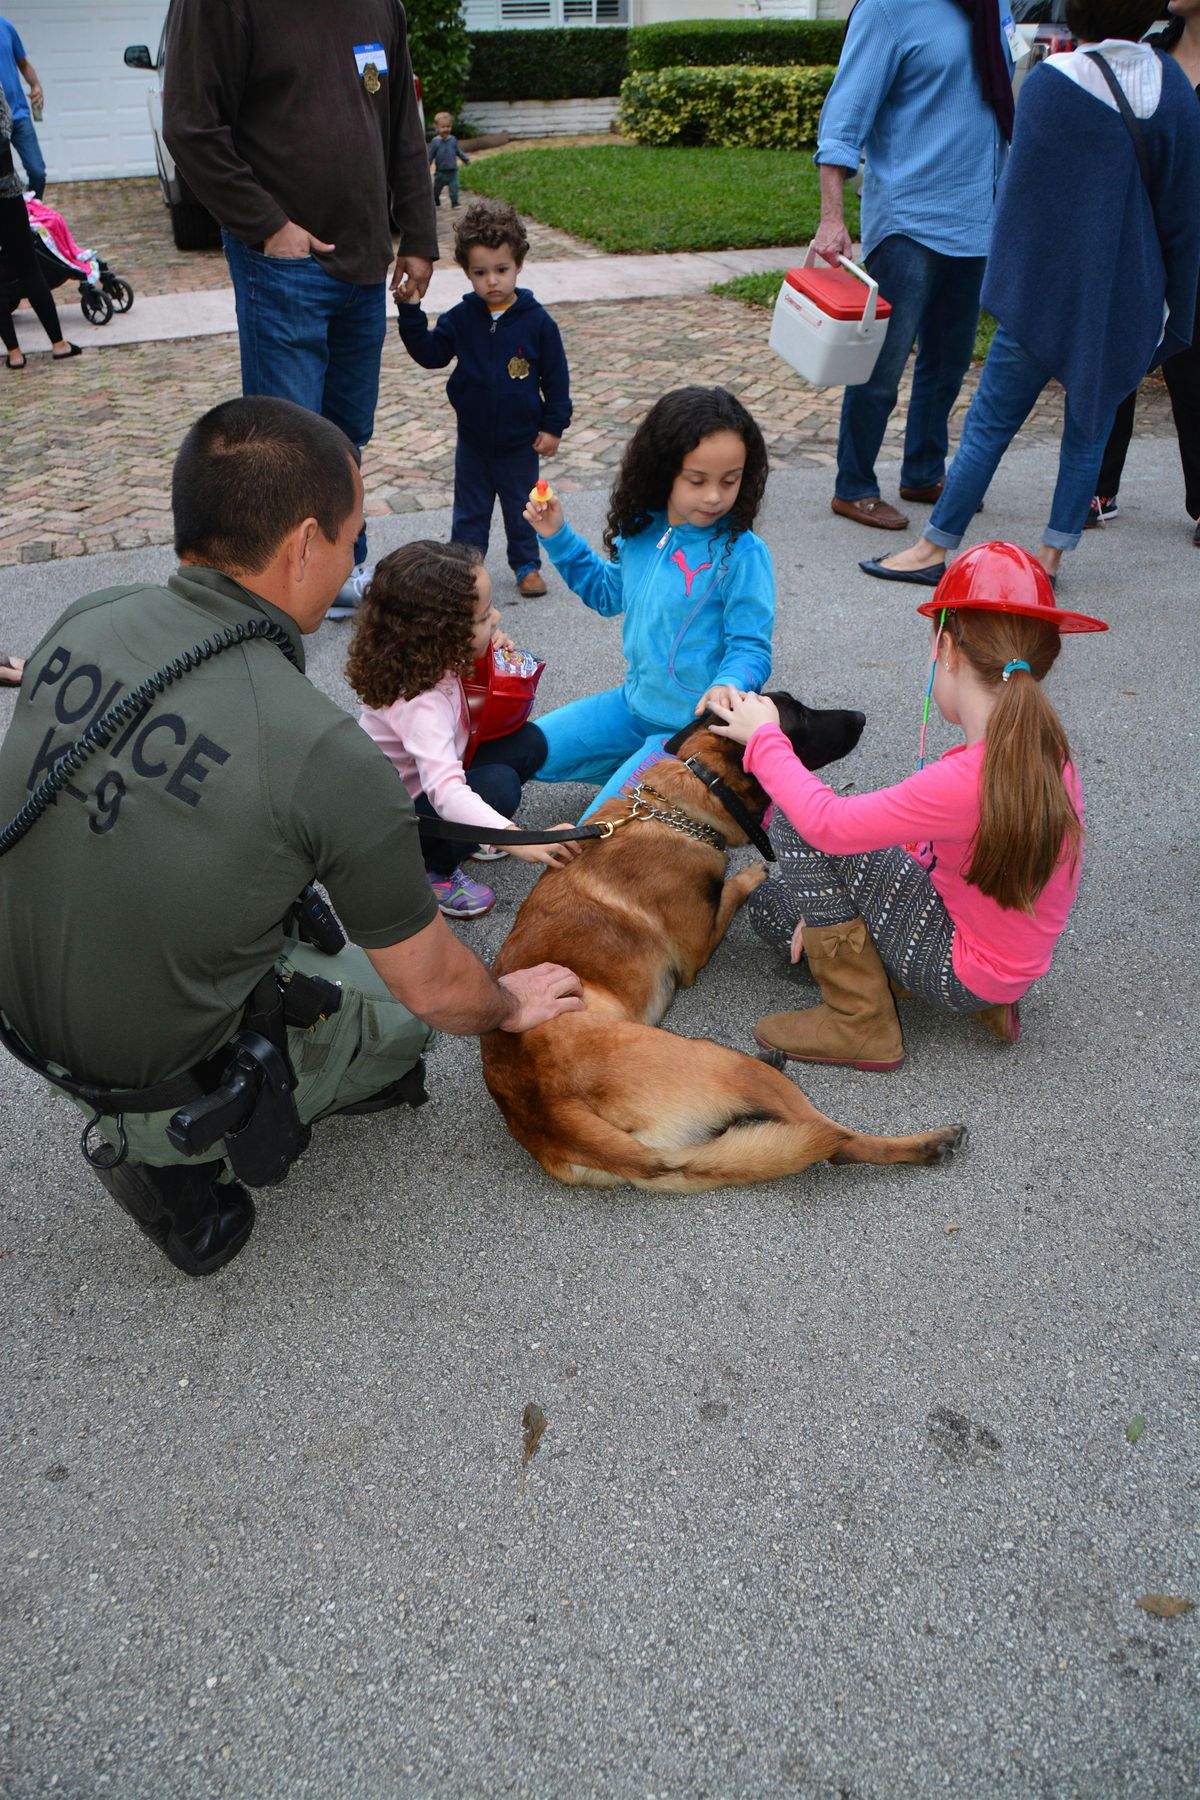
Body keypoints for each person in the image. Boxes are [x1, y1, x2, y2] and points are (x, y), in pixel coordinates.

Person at [0, 398, 583, 1279]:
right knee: (400, 1027)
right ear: (304, 545)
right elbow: (433, 988)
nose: (355, 559)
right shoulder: (322, 753)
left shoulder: (92, 613)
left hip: (18, 1006)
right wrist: (507, 1002)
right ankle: (178, 1163)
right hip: (137, 1061)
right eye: (353, 538)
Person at [707, 543, 1107, 1071]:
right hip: (1002, 962)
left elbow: (826, 825)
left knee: (790, 837)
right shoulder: (1043, 753)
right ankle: (979, 1000)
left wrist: (765, 739)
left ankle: (860, 1021)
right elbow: (939, 857)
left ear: (947, 649)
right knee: (783, 902)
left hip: (957, 967)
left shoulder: (965, 779)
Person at [863, 0, 1200, 590]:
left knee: (991, 421)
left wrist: (1006, 291)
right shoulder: (1170, 83)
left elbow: (1019, 206)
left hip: (1043, 291)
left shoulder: (1053, 82)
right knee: (1089, 425)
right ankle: (1049, 560)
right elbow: (1183, 212)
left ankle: (933, 546)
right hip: (1124, 295)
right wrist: (1175, 304)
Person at [161, 0, 438, 618]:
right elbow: (189, 126)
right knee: (284, 440)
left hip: (365, 262)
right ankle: (268, 591)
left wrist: (418, 234)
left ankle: (341, 571)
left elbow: (401, 124)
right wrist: (268, 226)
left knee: (345, 435)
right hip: (282, 264)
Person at [523, 385, 775, 812]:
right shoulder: (642, 529)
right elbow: (607, 594)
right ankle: (650, 774)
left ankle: (698, 779)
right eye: (697, 480)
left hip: (691, 731)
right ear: (663, 471)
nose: (714, 496)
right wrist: (557, 537)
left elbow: (751, 646)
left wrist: (727, 684)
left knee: (595, 833)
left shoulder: (743, 553)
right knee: (529, 752)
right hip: (633, 707)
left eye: (729, 481)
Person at [813, 0, 1014, 534]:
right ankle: (853, 485)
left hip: (977, 219)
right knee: (881, 369)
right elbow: (844, 117)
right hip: (909, 220)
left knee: (947, 364)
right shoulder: (887, 9)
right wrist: (833, 217)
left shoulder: (992, 6)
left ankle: (923, 471)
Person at [347, 539, 579, 919]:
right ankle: (431, 870)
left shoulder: (428, 656)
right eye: (485, 616)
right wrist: (516, 837)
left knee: (529, 743)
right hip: (401, 820)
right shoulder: (419, 702)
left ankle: (465, 836)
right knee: (499, 786)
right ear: (445, 631)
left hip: (427, 783)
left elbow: (477, 711)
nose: (498, 618)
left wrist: (487, 652)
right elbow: (446, 791)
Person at [395, 199, 571, 598]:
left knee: (521, 507)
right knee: (470, 510)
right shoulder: (462, 317)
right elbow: (431, 354)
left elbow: (556, 380)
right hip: (473, 439)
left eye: (501, 270)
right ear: (466, 271)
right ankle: (463, 570)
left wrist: (553, 427)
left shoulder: (538, 322)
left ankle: (526, 565)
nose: (492, 281)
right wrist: (410, 312)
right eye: (480, 272)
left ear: (519, 265)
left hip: (520, 441)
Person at [1085, 0, 1200, 548]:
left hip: (1193, 238)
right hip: (1138, 235)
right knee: (1115, 361)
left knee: (1193, 369)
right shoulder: (1149, 57)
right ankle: (1095, 487)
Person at [0, 90, 80, 368]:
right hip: (6, 190)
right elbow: (5, 125)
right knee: (28, 266)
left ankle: (14, 353)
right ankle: (58, 344)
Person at [0, 15, 45, 198]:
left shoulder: (5, 26)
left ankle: (33, 208)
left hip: (19, 114)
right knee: (3, 181)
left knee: (37, 172)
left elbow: (23, 64)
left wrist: (36, 85)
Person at [429, 111, 470, 209]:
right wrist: (427, 164)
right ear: (437, 128)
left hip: (453, 171)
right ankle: (436, 200)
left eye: (448, 127)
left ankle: (455, 203)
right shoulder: (435, 142)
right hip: (440, 172)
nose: (446, 129)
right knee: (436, 189)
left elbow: (458, 151)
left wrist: (465, 159)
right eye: (443, 127)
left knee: (454, 188)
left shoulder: (453, 140)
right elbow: (430, 155)